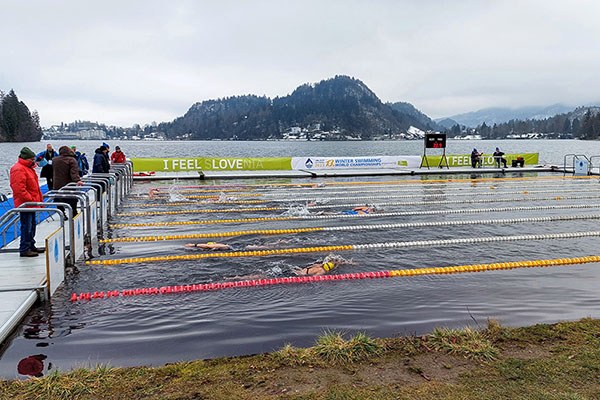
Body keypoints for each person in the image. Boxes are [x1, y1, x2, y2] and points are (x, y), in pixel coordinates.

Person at [9, 147, 44, 257]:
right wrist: (31, 199)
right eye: (32, 159)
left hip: (31, 203)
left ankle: (30, 245)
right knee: (26, 226)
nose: (34, 161)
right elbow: (19, 189)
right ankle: (24, 248)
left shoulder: (27, 168)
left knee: (32, 225)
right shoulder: (19, 169)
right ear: (26, 159)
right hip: (26, 203)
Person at [53, 146, 84, 217]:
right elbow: (74, 172)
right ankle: (74, 213)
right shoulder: (72, 160)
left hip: (57, 183)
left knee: (58, 198)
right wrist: (77, 180)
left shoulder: (55, 160)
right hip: (69, 183)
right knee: (72, 199)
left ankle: (62, 214)